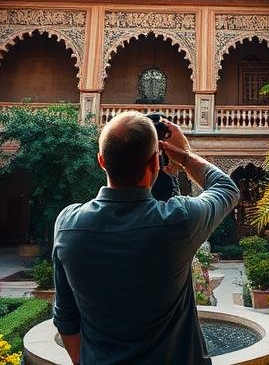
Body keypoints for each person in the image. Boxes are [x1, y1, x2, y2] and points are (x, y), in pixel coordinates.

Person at [52, 112, 239, 365]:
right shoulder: (178, 221)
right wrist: (183, 157)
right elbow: (226, 187)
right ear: (155, 162)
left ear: (101, 161)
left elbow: (66, 318)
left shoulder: (68, 226)